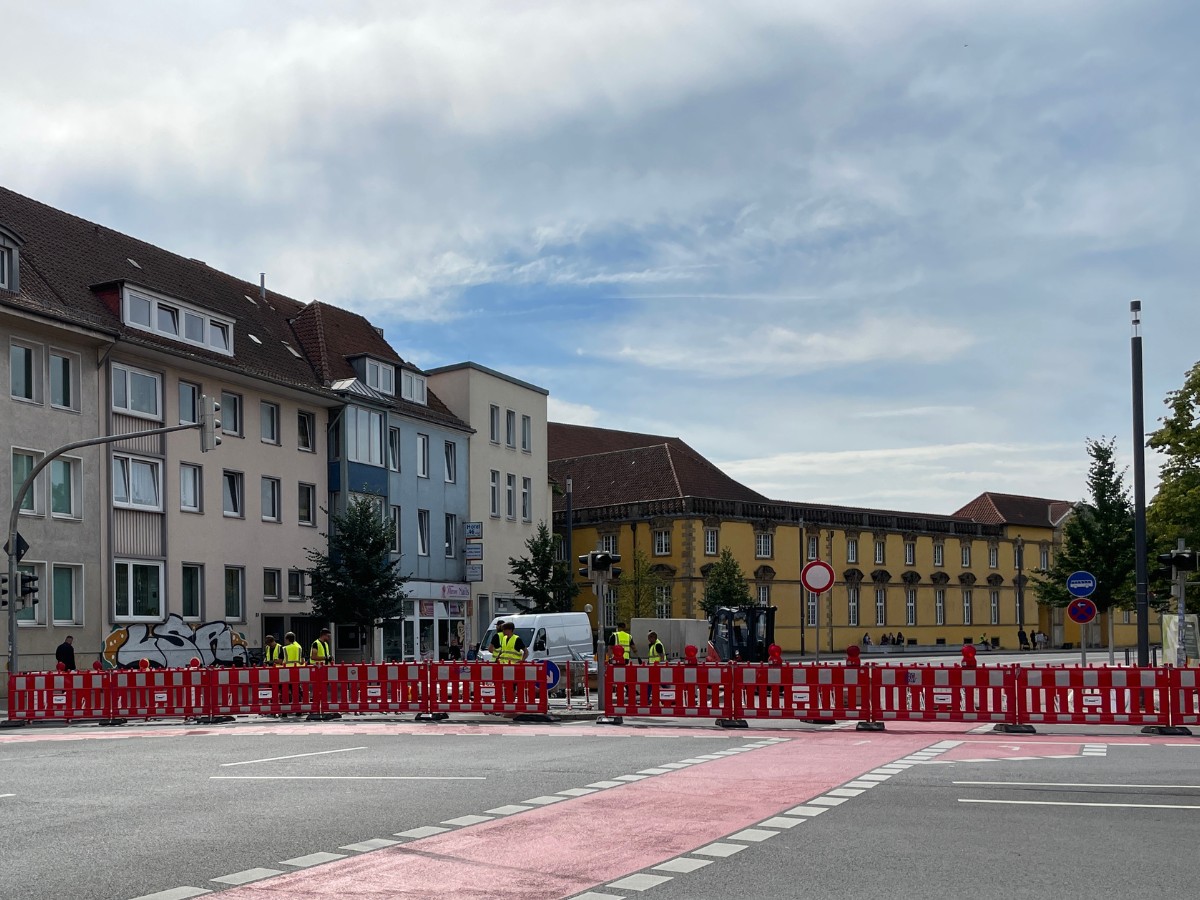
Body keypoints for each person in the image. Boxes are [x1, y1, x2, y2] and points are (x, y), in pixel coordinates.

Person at [279, 631, 305, 716]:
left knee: (285, 691)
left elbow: (280, 661)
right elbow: (302, 661)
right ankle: (298, 710)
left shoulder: (284, 649)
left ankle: (284, 712)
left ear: (287, 639)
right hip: (296, 671)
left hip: (286, 672)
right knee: (296, 691)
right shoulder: (299, 648)